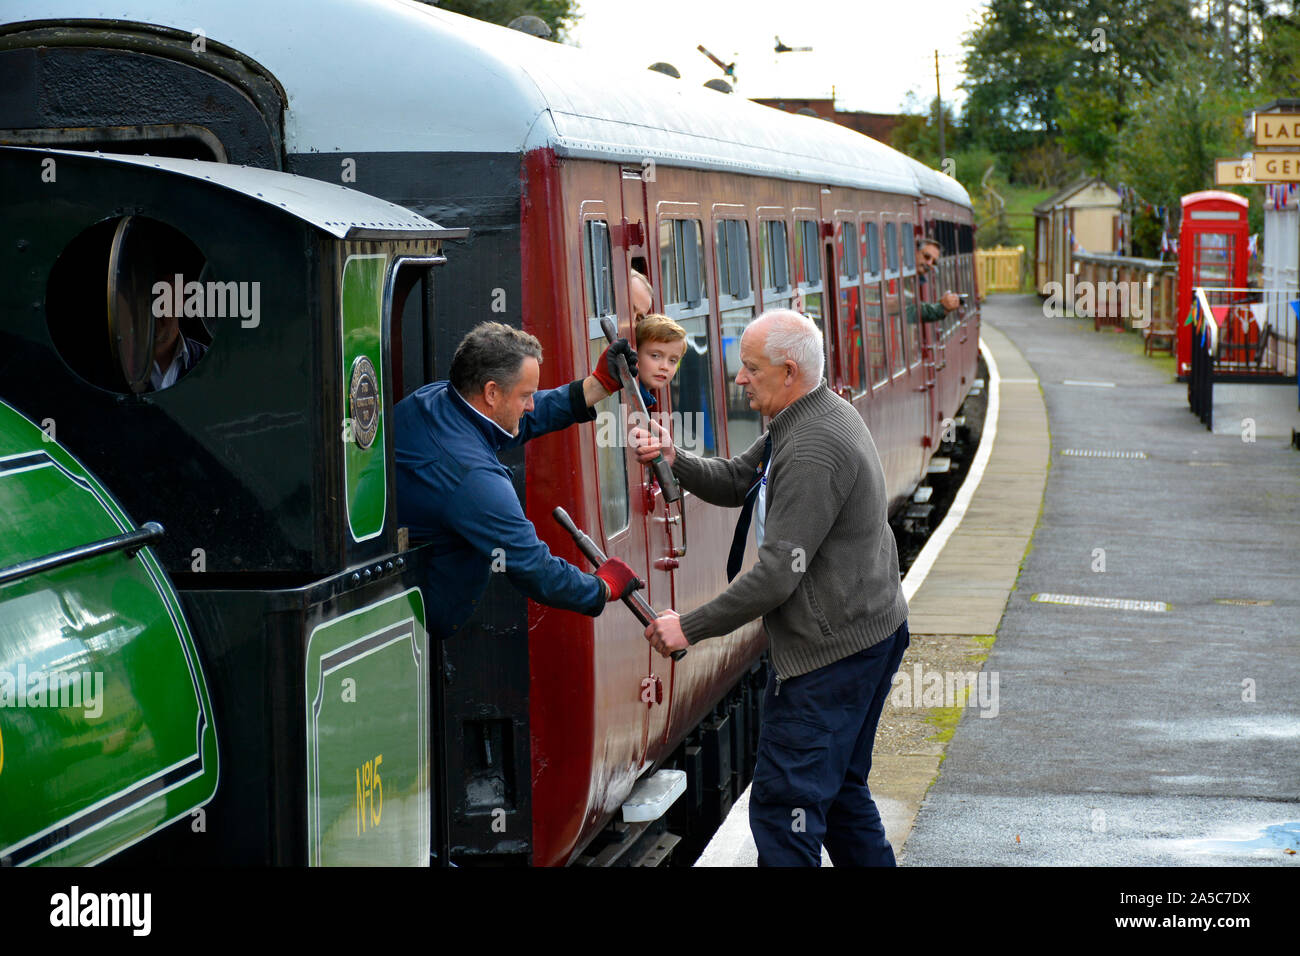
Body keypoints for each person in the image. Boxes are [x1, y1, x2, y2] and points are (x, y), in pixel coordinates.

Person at [635, 309, 910, 867]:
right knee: (841, 796)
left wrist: (687, 626)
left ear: (788, 371)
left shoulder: (812, 446)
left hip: (830, 656)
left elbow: (778, 575)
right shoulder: (806, 416)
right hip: (865, 635)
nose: (738, 379)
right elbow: (741, 480)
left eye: (750, 369)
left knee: (784, 814)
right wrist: (675, 459)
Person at [394, 321, 643, 640]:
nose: (531, 405)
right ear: (491, 392)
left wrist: (596, 386)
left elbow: (515, 422)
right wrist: (602, 587)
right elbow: (536, 570)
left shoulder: (438, 400)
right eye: (526, 395)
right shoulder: (474, 480)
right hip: (421, 624)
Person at [631, 312, 687, 410]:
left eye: (673, 360)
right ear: (635, 352)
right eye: (655, 356)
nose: (664, 367)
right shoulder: (625, 395)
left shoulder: (644, 399)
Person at [916, 237, 961, 323]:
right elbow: (910, 308)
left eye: (934, 262)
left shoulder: (918, 279)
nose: (929, 263)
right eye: (926, 257)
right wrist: (941, 308)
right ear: (915, 252)